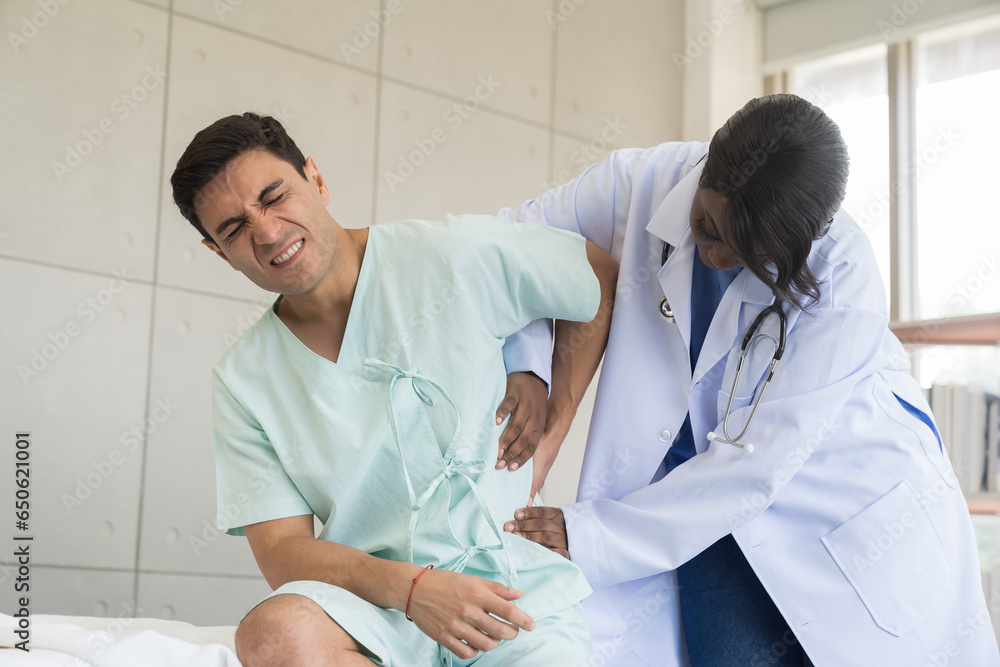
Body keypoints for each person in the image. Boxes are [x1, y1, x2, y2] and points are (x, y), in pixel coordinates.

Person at [500, 93, 1000, 666]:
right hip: (701, 516)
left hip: (850, 511)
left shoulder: (841, 277)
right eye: (706, 226)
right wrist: (529, 365)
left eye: (748, 255)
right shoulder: (640, 182)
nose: (715, 256)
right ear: (705, 172)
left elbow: (753, 466)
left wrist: (590, 535)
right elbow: (513, 240)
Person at [168, 112, 618, 666]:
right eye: (234, 228)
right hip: (379, 611)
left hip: (514, 596)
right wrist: (412, 590)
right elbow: (283, 551)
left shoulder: (449, 253)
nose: (267, 232)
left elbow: (596, 275)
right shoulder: (243, 381)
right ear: (219, 252)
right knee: (272, 635)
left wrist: (554, 421)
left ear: (316, 179)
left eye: (274, 196)